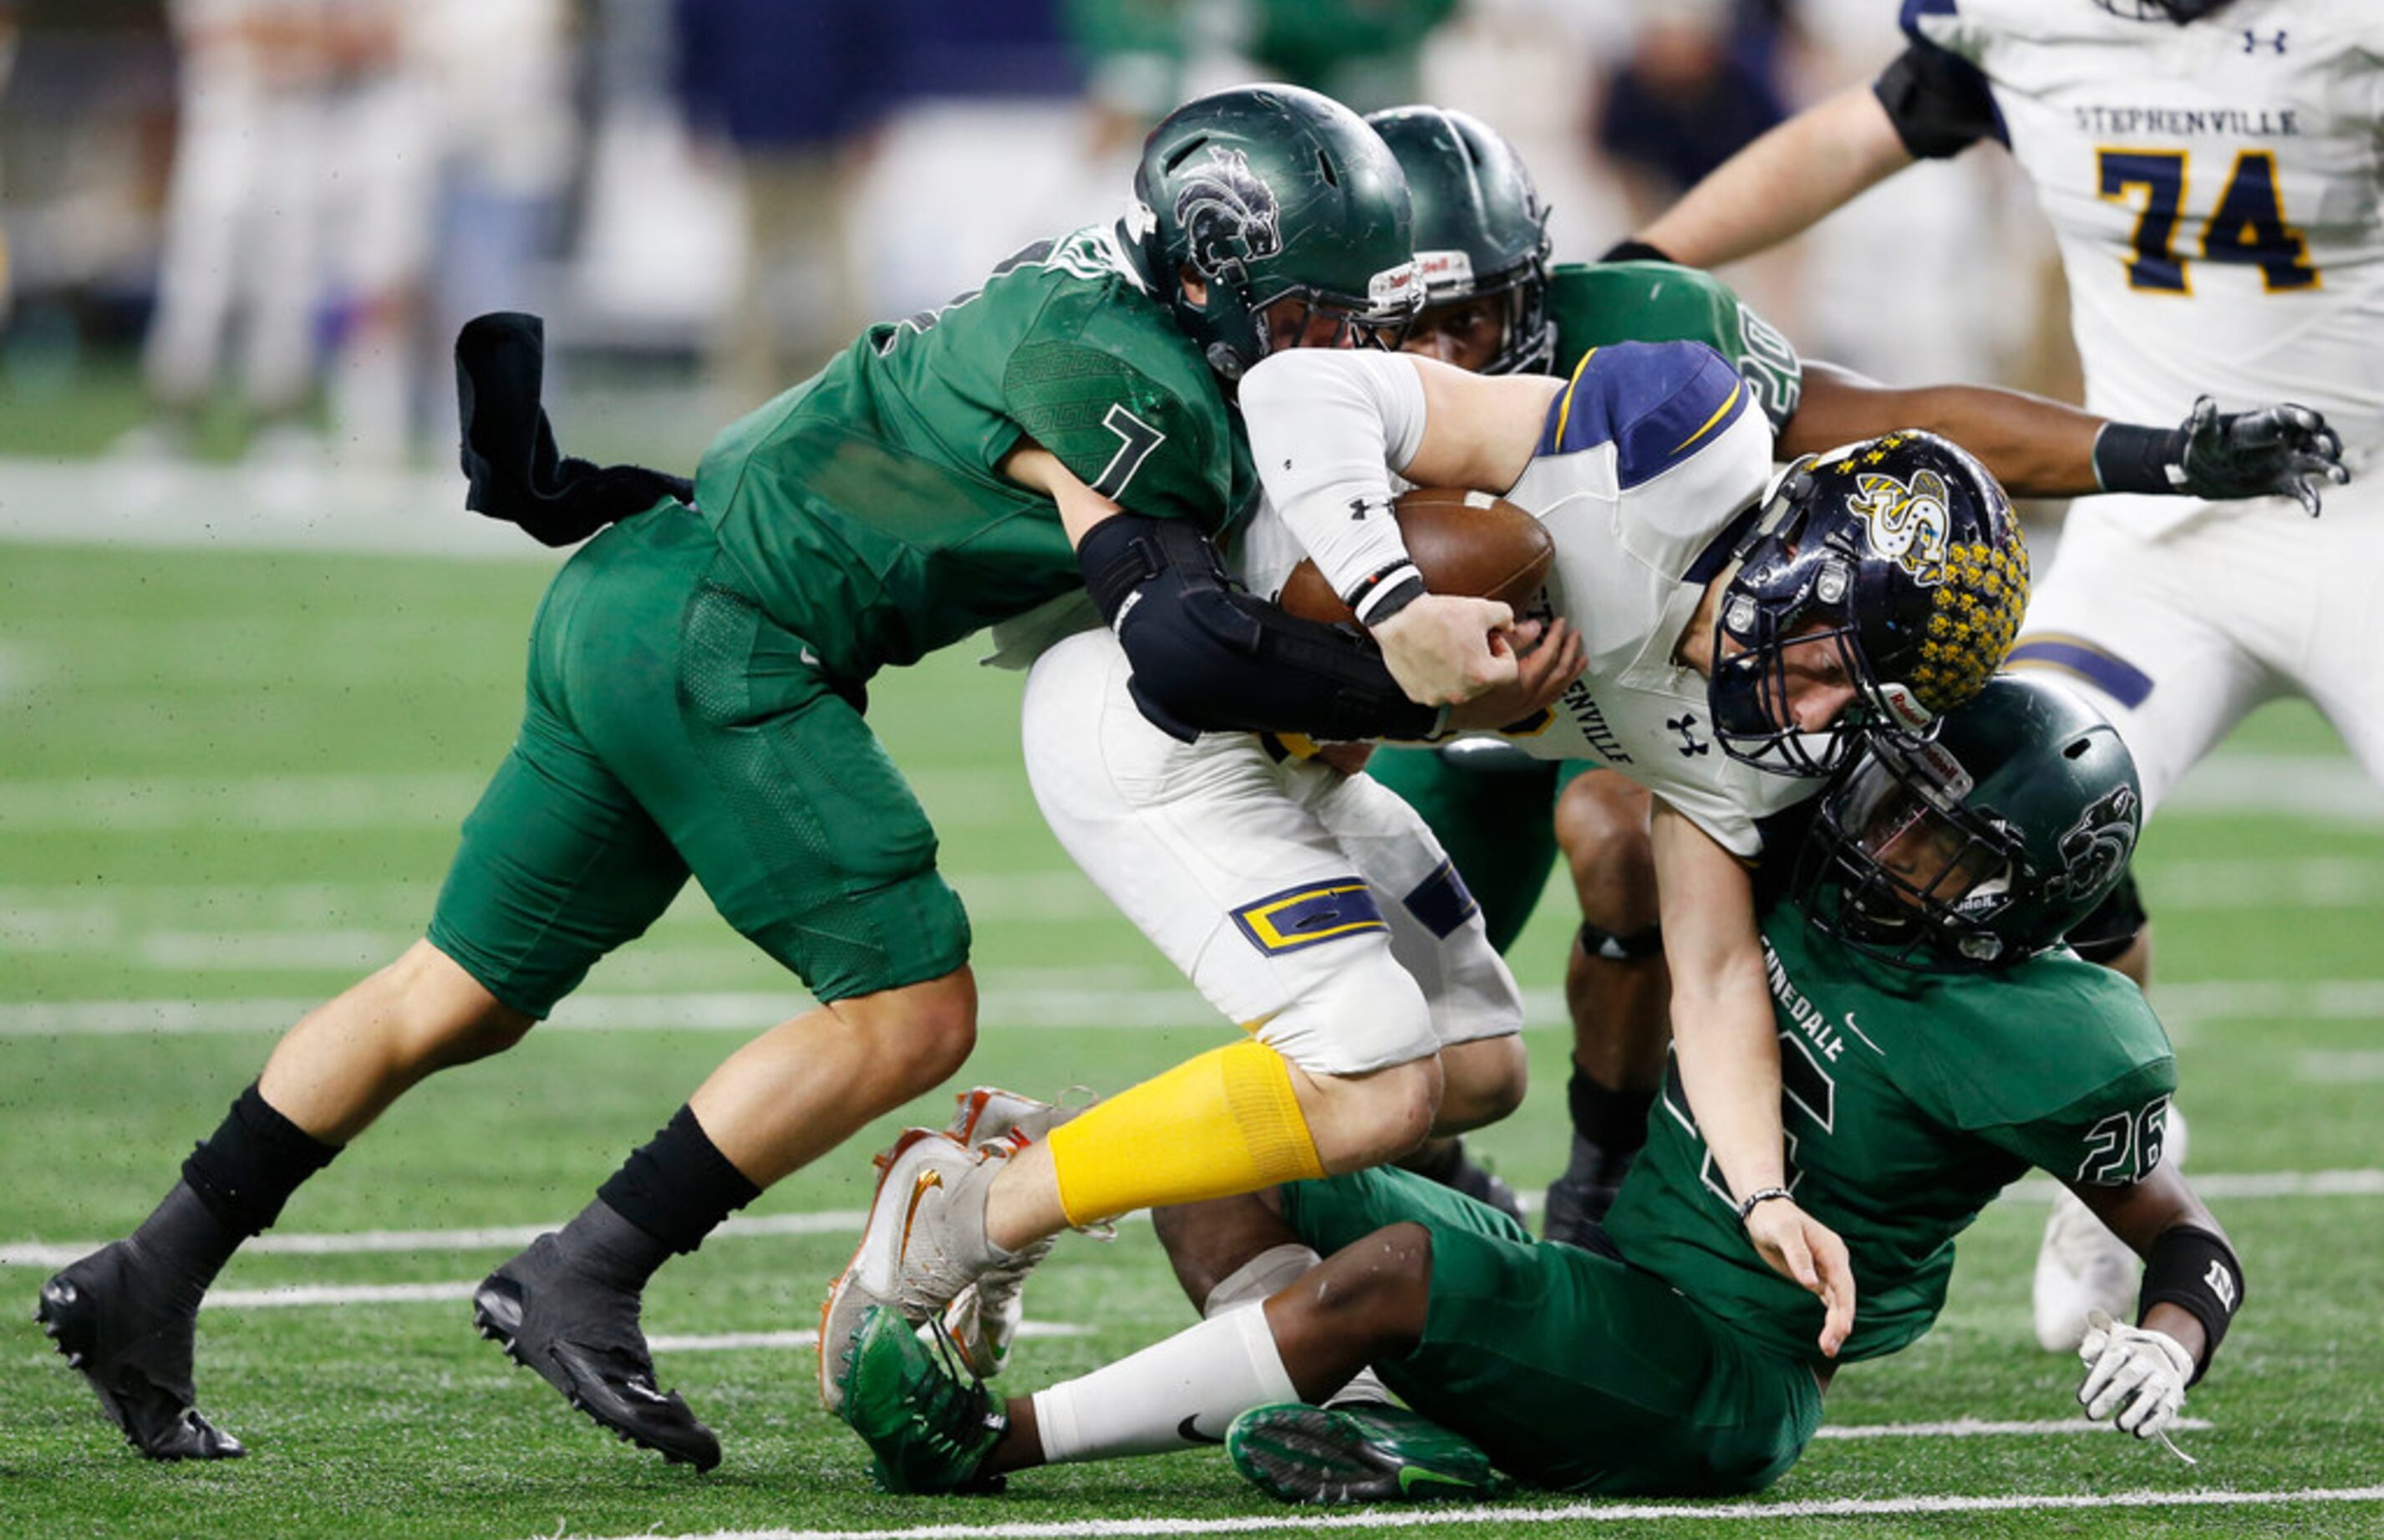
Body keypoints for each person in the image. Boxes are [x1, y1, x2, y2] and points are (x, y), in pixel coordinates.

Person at [34, 84, 1481, 1471]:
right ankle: (583, 1271)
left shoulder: (1099, 297)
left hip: (637, 590)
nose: (1332, 336)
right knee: (911, 1011)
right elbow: (1175, 642)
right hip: (730, 637)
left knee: (451, 990)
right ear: (1215, 267)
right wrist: (1424, 682)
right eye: (1309, 303)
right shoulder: (1124, 376)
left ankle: (147, 1276)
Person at [819, 292, 2044, 1409]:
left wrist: (1764, 1192)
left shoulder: (1752, 741)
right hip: (1158, 711)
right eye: (1835, 664)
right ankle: (963, 1211)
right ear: (1801, 558)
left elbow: (1713, 971)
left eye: (1858, 700)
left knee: (1473, 1062)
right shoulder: (1673, 445)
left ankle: (1033, 1155)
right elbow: (1299, 390)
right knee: (1372, 1072)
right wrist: (1396, 609)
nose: (1823, 713)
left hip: (1296, 751)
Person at [835, 675, 2249, 1504]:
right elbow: (1624, 813)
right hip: (1615, 1267)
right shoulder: (1816, 855)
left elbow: (2185, 1235)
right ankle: (1411, 1401)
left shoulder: (2053, 1035)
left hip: (1725, 1374)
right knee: (1242, 1137)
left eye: (1935, 844)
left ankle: (988, 1444)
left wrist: (2170, 1338)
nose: (1883, 844)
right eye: (1893, 803)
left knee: (1396, 1262)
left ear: (2022, 890)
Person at [1354, 102, 2351, 1246]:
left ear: (1533, 283)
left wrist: (2156, 454)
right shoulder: (1306, 389)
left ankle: (1604, 1174)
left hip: (1691, 679)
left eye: (1466, 315)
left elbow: (1896, 427)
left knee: (1992, 799)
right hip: (1430, 704)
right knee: (1376, 1043)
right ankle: (1447, 1175)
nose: (1433, 355)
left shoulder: (1642, 333)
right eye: (1400, 329)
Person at [1618, 0, 2373, 1350]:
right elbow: (1853, 139)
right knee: (2003, 788)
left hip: (2369, 520)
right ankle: (2113, 1150)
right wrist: (1643, 261)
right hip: (2159, 544)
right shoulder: (2026, 24)